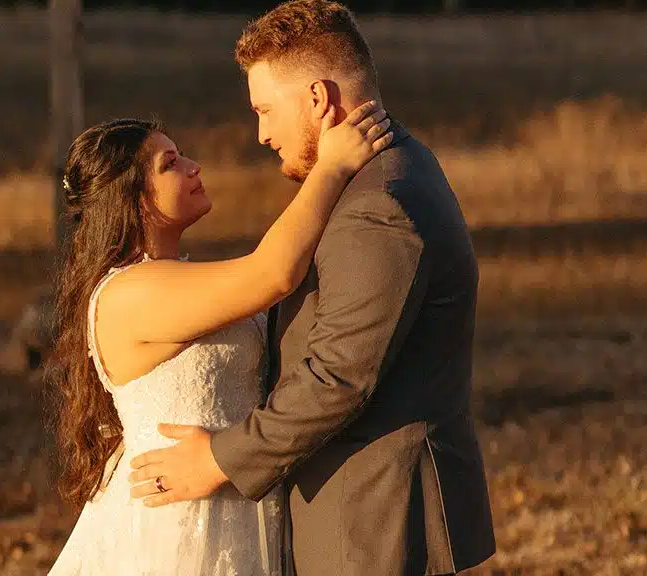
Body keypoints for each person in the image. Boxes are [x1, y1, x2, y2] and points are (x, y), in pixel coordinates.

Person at [129, 0, 496, 576]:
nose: (260, 133)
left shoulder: (379, 204)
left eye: (266, 110)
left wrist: (219, 462)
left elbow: (339, 377)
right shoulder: (391, 168)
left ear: (319, 99)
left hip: (371, 518)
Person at [44, 98, 393, 575]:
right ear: (132, 198)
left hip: (234, 503)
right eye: (171, 164)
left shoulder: (174, 278)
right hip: (179, 528)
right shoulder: (127, 293)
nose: (194, 167)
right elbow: (272, 274)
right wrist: (331, 166)